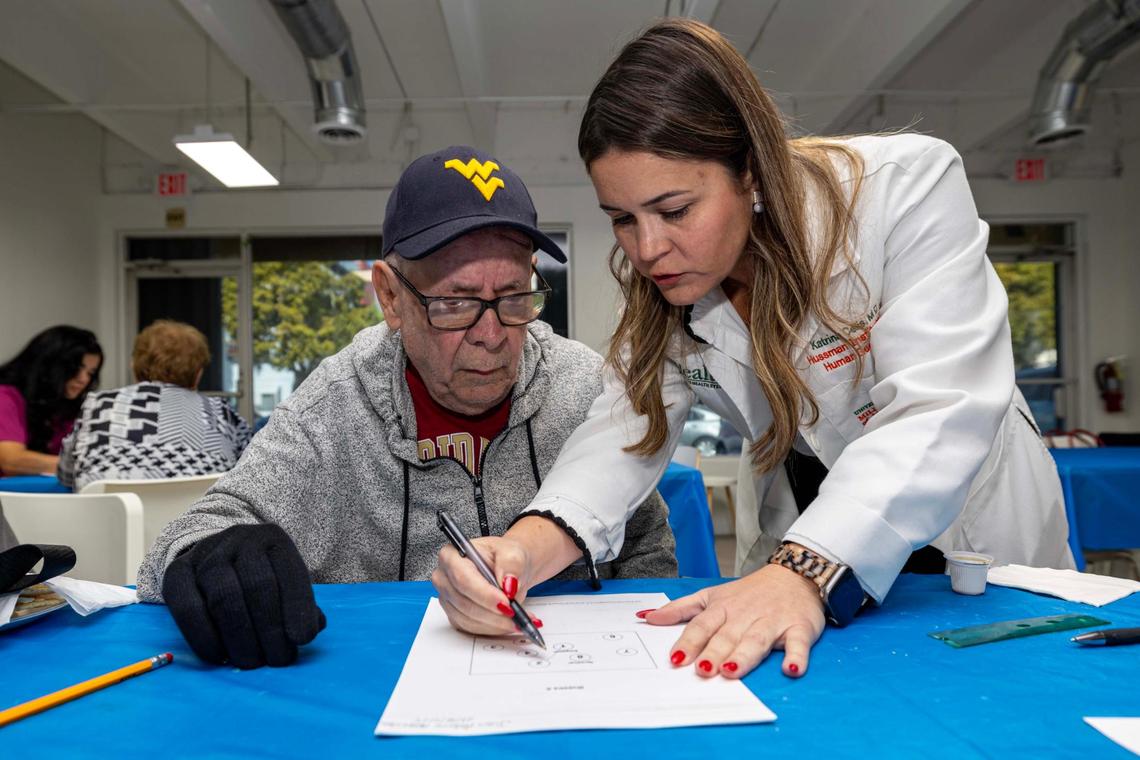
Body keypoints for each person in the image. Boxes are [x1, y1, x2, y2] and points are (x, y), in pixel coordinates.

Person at [439, 19, 1075, 680]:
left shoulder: (902, 188)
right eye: (623, 219)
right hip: (811, 525)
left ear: (749, 168)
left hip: (966, 518)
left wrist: (805, 566)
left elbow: (940, 406)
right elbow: (622, 433)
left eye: (675, 209)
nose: (647, 248)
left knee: (1007, 697)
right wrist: (519, 551)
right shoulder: (670, 284)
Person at [135, 146, 677, 669]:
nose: (491, 335)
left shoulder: (585, 387)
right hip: (379, 693)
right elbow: (183, 544)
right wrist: (212, 555)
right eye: (455, 303)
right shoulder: (334, 404)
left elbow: (649, 549)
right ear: (390, 296)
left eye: (514, 298)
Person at [57, 320, 252, 491]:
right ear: (198, 373)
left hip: (109, 527)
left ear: (134, 366)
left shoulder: (98, 404)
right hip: (196, 529)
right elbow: (246, 479)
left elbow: (66, 475)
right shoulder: (223, 413)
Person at [0, 326, 102, 477]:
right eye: (75, 368)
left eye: (90, 373)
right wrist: (86, 465)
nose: (83, 379)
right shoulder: (5, 396)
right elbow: (11, 461)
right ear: (48, 365)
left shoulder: (69, 405)